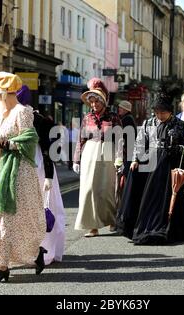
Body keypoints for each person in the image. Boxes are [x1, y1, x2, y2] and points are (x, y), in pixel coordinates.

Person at [0, 72, 46, 283]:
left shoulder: (22, 112)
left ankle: (33, 254)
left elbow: (29, 140)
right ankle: (2, 266)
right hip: (0, 169)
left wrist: (6, 144)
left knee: (14, 220)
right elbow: (0, 137)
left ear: (8, 93)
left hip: (18, 172)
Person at [117, 93, 184, 245]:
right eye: (157, 112)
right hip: (150, 164)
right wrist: (135, 159)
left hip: (170, 166)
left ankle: (165, 228)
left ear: (170, 111)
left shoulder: (182, 125)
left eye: (163, 112)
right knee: (146, 193)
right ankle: (143, 226)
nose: (159, 115)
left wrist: (176, 148)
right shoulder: (148, 123)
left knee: (167, 198)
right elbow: (140, 143)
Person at [17, 85, 66, 265]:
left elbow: (49, 150)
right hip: (19, 167)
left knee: (44, 207)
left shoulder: (38, 120)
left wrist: (49, 176)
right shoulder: (7, 117)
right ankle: (24, 250)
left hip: (37, 167)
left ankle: (45, 248)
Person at [73, 78, 123, 238]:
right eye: (92, 102)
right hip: (89, 153)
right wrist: (76, 159)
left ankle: (111, 220)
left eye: (97, 101)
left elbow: (121, 139)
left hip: (108, 151)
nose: (94, 105)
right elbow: (81, 139)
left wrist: (120, 158)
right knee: (89, 190)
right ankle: (92, 226)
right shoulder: (87, 118)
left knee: (107, 190)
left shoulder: (114, 117)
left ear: (103, 101)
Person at [117, 100, 137, 205]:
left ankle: (123, 204)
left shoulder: (127, 119)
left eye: (120, 108)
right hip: (127, 152)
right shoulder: (127, 118)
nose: (119, 109)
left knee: (124, 179)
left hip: (127, 153)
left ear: (126, 109)